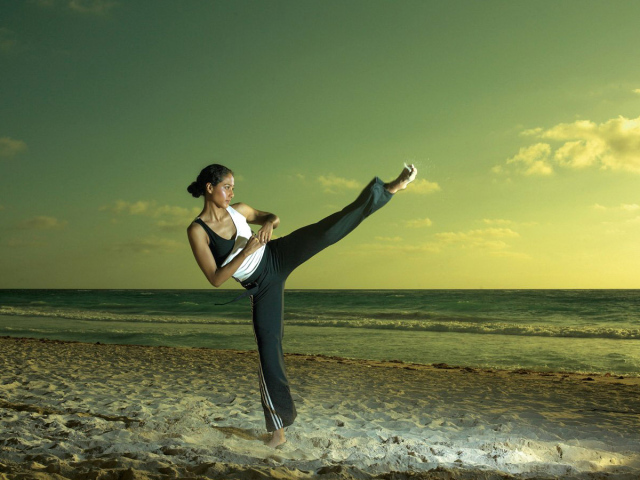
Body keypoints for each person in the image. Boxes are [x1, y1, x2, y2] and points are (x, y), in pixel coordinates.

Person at [186, 163, 418, 448]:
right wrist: (246, 251)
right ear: (210, 188)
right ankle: (278, 433)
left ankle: (388, 189)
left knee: (328, 231)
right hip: (261, 286)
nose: (232, 193)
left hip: (278, 254)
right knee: (270, 351)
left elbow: (272, 217)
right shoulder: (197, 230)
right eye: (227, 187)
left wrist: (269, 224)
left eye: (233, 187)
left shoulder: (240, 210)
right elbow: (215, 278)